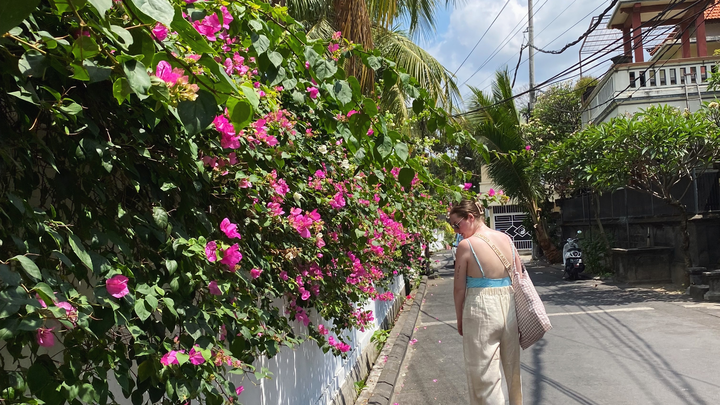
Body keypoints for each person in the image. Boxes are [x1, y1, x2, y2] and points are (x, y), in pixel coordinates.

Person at [449, 199, 523, 405]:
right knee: (512, 369)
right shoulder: (506, 238)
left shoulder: (466, 245)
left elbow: (459, 288)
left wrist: (459, 318)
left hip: (480, 306)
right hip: (509, 305)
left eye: (457, 225)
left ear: (470, 217)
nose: (456, 231)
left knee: (483, 373)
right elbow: (519, 275)